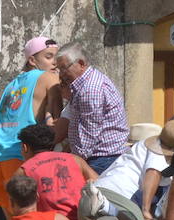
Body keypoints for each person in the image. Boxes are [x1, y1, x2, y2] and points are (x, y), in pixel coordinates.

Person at [0, 36, 60, 213]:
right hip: (20, 158)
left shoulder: (12, 84)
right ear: (32, 60)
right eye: (48, 56)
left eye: (57, 56)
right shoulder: (49, 78)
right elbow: (57, 118)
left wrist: (4, 137)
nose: (56, 62)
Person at [53, 42, 130, 173]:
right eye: (59, 69)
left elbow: (88, 135)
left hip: (101, 159)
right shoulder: (85, 84)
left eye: (64, 68)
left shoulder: (90, 90)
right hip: (99, 157)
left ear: (81, 64)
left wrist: (73, 163)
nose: (61, 74)